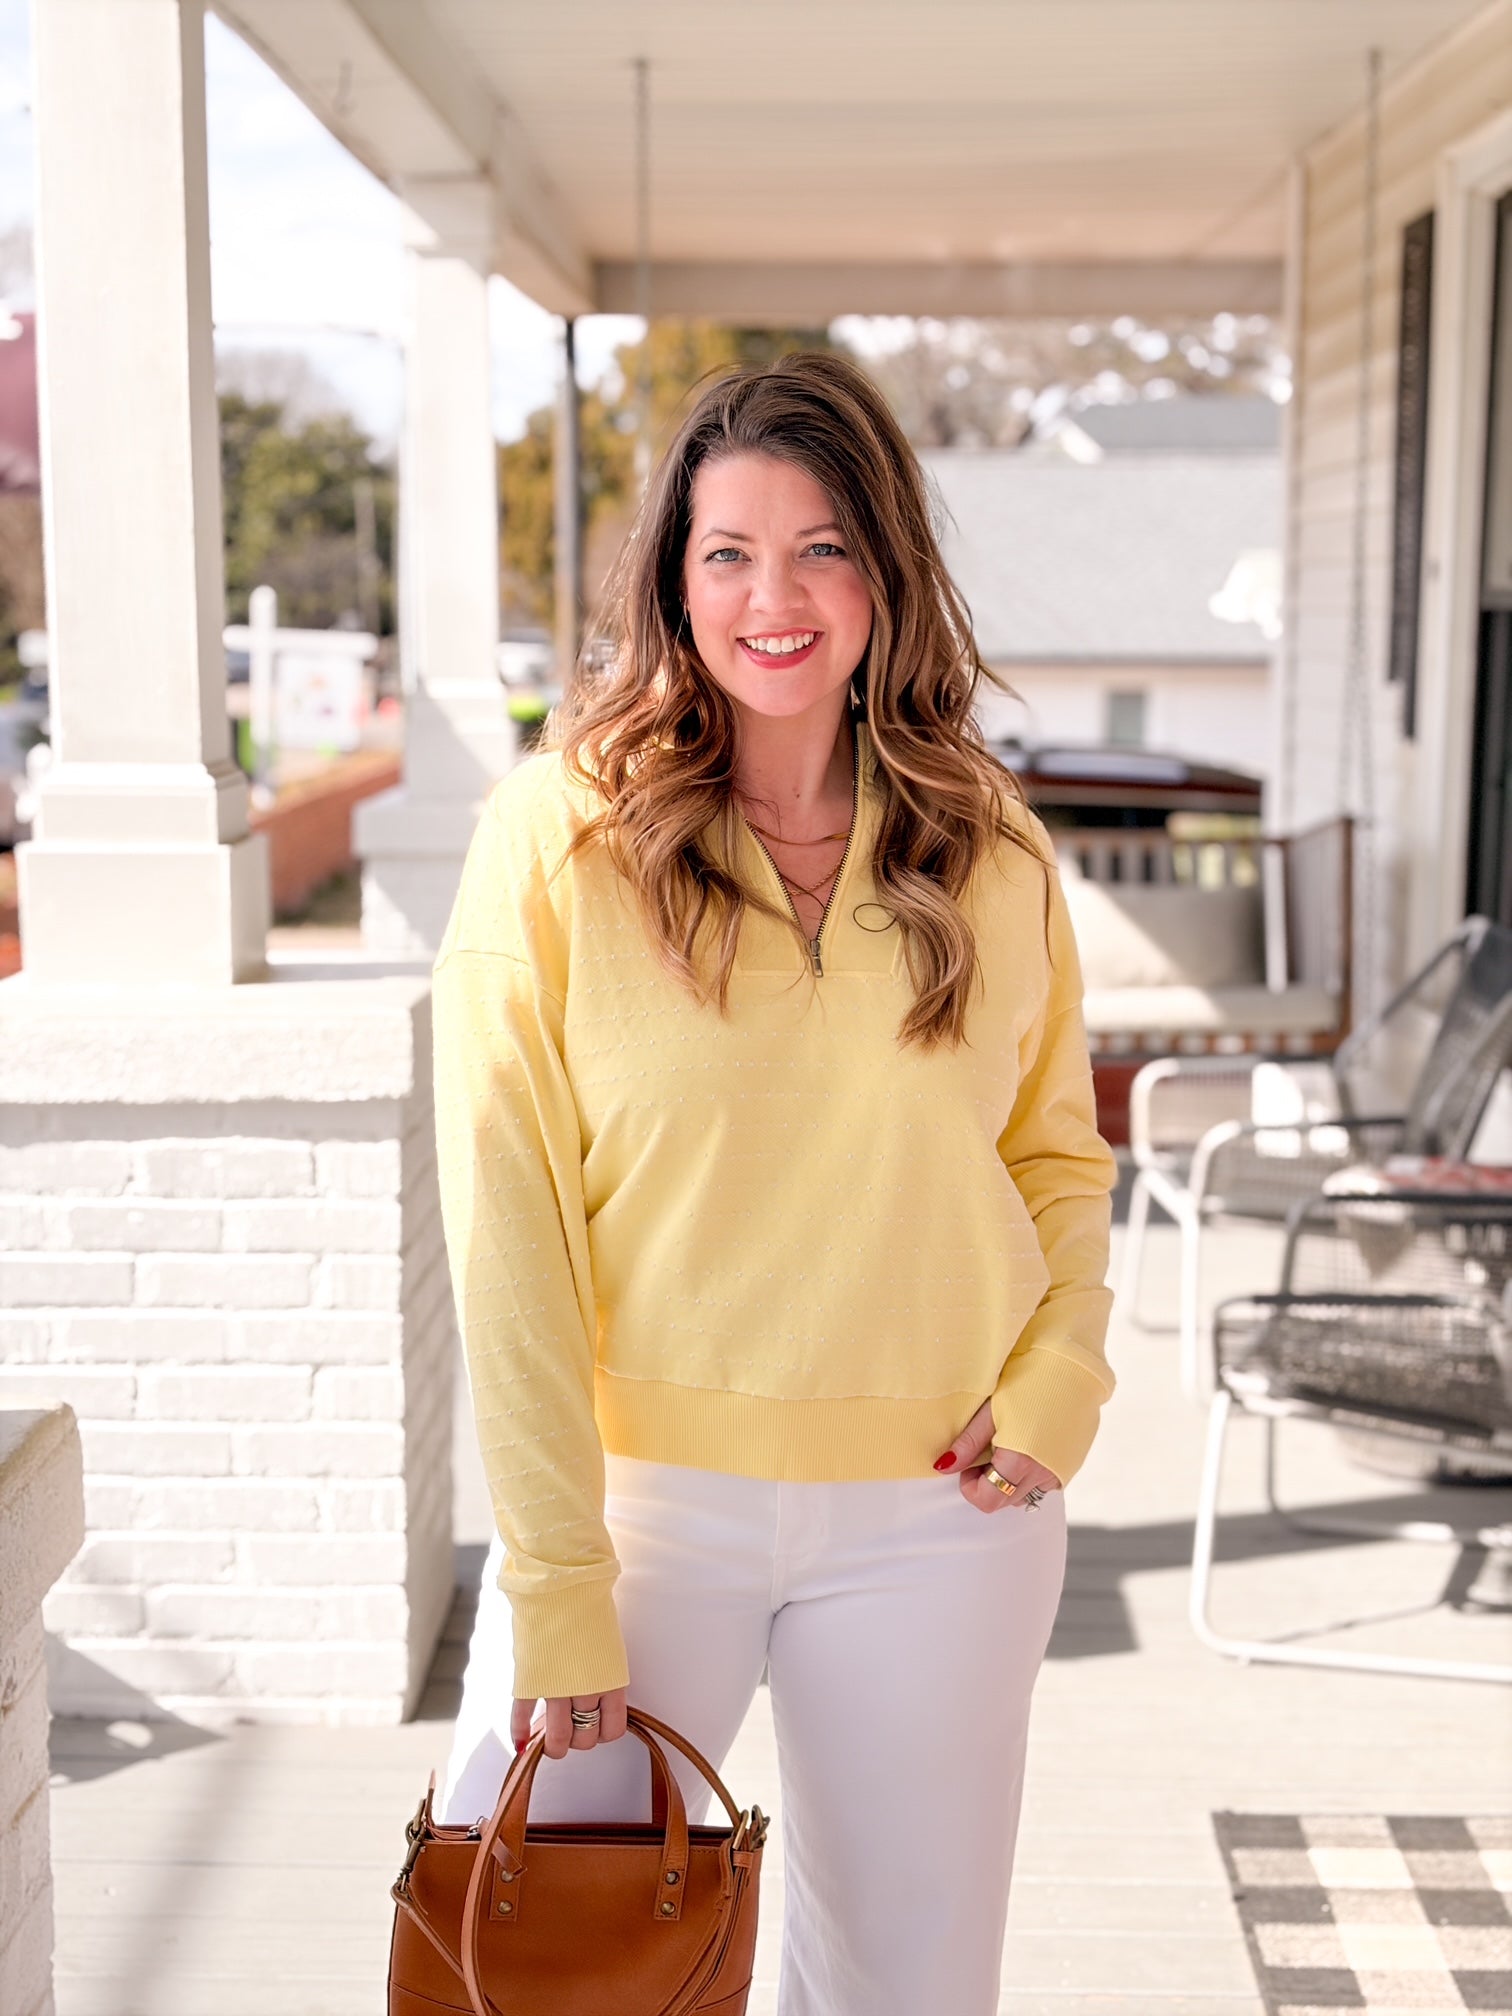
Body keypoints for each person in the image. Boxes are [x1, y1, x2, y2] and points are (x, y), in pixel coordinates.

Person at [431, 351, 1117, 2015]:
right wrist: (556, 1582)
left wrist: (1064, 1374)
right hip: (638, 1509)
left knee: (908, 1984)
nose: (775, 596)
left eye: (822, 547)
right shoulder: (556, 836)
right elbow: (504, 1217)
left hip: (946, 1518)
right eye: (727, 551)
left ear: (886, 572)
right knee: (532, 1976)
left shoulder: (991, 843)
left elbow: (1052, 1151)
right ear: (674, 578)